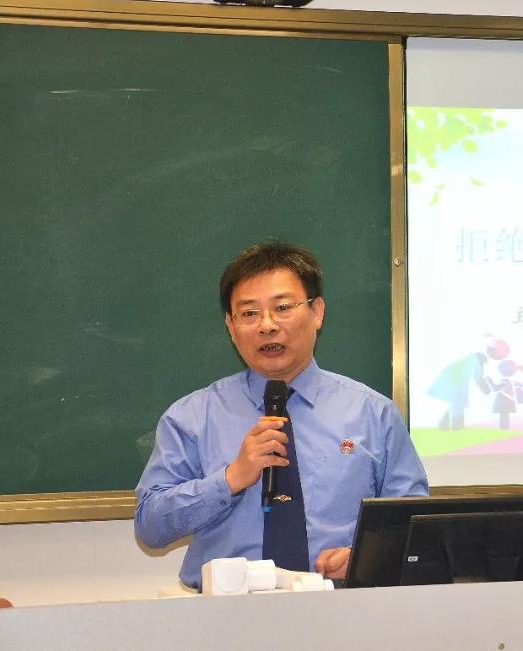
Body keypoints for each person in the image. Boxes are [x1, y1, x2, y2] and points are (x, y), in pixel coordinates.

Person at [135, 242, 428, 590]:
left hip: (341, 605)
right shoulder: (192, 417)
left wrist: (365, 557)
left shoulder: (373, 413)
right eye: (249, 313)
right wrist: (230, 478)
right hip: (226, 612)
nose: (267, 326)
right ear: (231, 326)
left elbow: (414, 528)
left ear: (317, 312)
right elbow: (150, 527)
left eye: (283, 308)